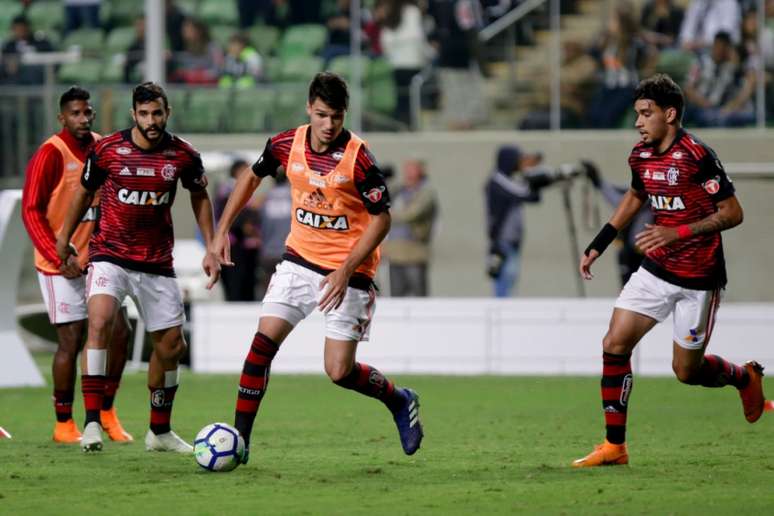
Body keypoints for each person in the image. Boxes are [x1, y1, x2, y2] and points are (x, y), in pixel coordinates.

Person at [210, 72, 424, 464]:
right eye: (322, 115)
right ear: (309, 108)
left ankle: (399, 398)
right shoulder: (285, 143)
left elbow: (382, 220)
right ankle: (240, 442)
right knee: (261, 346)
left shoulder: (359, 159)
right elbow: (251, 177)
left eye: (337, 116)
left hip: (349, 272)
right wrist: (221, 229)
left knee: (339, 371)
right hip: (297, 261)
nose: (329, 125)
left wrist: (344, 271)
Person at [573, 74, 765, 468]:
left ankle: (744, 378)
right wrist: (599, 243)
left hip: (699, 277)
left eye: (646, 114)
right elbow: (634, 197)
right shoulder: (641, 155)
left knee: (686, 371)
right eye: (637, 114)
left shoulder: (697, 156)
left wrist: (676, 231)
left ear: (671, 114)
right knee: (614, 343)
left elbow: (733, 213)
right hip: (656, 269)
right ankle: (615, 447)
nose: (639, 122)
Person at [56, 82, 219, 453]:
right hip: (109, 254)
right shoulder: (108, 150)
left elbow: (199, 195)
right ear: (134, 115)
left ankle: (159, 430)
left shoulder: (183, 155)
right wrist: (65, 236)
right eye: (144, 114)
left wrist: (211, 246)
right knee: (98, 321)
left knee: (172, 347)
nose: (151, 121)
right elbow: (83, 191)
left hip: (157, 261)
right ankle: (93, 422)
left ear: (167, 112)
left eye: (157, 113)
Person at [21, 86, 132, 444]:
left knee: (118, 334)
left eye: (87, 113)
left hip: (100, 260)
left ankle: (105, 414)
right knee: (71, 340)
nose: (83, 119)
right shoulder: (50, 154)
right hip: (60, 265)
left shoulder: (103, 148)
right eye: (75, 114)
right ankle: (64, 421)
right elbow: (31, 209)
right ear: (62, 117)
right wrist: (58, 254)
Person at [484, 145, 570, 297]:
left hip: (512, 242)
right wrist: (536, 174)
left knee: (510, 282)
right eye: (518, 160)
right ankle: (502, 317)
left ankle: (506, 315)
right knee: (504, 286)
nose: (520, 164)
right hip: (502, 243)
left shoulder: (508, 180)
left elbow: (533, 196)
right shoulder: (497, 181)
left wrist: (546, 177)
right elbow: (525, 193)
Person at [383, 158, 438, 297]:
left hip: (414, 252)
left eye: (413, 168)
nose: (408, 172)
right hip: (395, 253)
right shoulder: (399, 190)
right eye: (407, 168)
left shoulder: (426, 192)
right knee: (396, 296)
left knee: (419, 297)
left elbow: (411, 214)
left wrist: (386, 214)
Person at [683, 32, 756, 127]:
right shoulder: (700, 62)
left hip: (721, 110)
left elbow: (751, 80)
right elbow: (688, 88)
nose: (719, 51)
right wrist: (703, 103)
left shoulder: (731, 66)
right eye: (718, 46)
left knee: (741, 116)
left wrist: (730, 107)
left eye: (724, 48)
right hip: (700, 107)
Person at [214, 159, 261, 301]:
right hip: (233, 244)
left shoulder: (247, 189)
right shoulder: (227, 191)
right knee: (236, 282)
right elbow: (226, 215)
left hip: (247, 245)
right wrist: (245, 226)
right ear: (236, 171)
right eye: (244, 169)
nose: (248, 172)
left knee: (249, 281)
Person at [256, 170, 291, 299]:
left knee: (270, 289)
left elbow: (253, 223)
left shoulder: (264, 199)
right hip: (289, 250)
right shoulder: (295, 196)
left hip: (268, 251)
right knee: (289, 291)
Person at [1, 15, 54, 85]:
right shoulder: (9, 45)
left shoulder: (40, 42)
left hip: (36, 77)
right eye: (17, 29)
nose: (20, 31)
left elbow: (50, 57)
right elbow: (5, 60)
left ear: (28, 28)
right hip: (14, 78)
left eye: (22, 29)